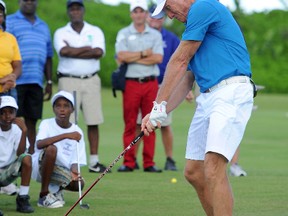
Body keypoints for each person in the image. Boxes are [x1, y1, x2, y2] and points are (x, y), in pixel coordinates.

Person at [142, 0, 255, 215]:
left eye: (168, 9)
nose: (170, 16)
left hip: (230, 91)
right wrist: (158, 113)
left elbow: (179, 60)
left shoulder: (203, 6)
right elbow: (186, 80)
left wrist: (158, 105)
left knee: (213, 168)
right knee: (194, 171)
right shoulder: (194, 25)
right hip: (208, 96)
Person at [54, 0, 107, 173]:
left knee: (93, 120)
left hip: (90, 79)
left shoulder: (95, 30)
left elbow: (98, 52)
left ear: (83, 10)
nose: (75, 11)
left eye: (78, 8)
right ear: (68, 12)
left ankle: (94, 162)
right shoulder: (61, 32)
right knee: (66, 121)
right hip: (68, 79)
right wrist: (86, 49)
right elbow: (63, 52)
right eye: (72, 9)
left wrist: (74, 50)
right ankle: (65, 161)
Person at [115, 0, 164, 172]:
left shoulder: (155, 35)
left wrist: (133, 56)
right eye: (135, 11)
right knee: (130, 123)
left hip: (150, 82)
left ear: (146, 14)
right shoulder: (124, 33)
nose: (138, 14)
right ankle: (128, 161)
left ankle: (149, 162)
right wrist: (144, 53)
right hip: (131, 83)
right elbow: (121, 56)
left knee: (151, 122)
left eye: (141, 11)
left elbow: (158, 58)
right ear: (131, 14)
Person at [134, 4, 180, 171]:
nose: (155, 19)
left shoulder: (172, 38)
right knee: (139, 122)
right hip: (143, 82)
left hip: (166, 86)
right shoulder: (139, 35)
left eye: (159, 16)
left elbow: (183, 64)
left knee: (165, 123)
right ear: (147, 17)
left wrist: (186, 88)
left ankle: (169, 159)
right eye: (153, 16)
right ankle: (132, 160)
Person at [6, 0, 53, 155]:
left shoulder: (43, 26)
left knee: (32, 120)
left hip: (36, 80)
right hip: (15, 81)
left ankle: (30, 156)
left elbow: (48, 56)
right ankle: (12, 156)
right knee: (12, 120)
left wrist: (49, 81)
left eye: (32, 0)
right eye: (25, 0)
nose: (28, 3)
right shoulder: (11, 21)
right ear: (20, 2)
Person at [31, 90, 87, 208]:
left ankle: (56, 192)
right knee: (51, 149)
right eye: (58, 106)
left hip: (60, 169)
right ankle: (44, 196)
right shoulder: (46, 123)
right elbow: (39, 144)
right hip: (41, 166)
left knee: (79, 184)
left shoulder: (77, 131)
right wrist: (66, 135)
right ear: (53, 109)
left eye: (66, 106)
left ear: (72, 110)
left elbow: (76, 160)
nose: (62, 109)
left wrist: (74, 172)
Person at [0, 0, 23, 196]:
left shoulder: (10, 38)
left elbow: (17, 65)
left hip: (8, 90)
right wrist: (2, 81)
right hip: (3, 85)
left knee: (10, 128)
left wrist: (12, 77)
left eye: (0, 12)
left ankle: (6, 179)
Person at [0, 96, 34, 213]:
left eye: (11, 112)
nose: (7, 116)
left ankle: (22, 198)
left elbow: (20, 154)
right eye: (2, 112)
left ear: (16, 113)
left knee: (27, 158)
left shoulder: (17, 130)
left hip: (8, 171)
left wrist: (24, 131)